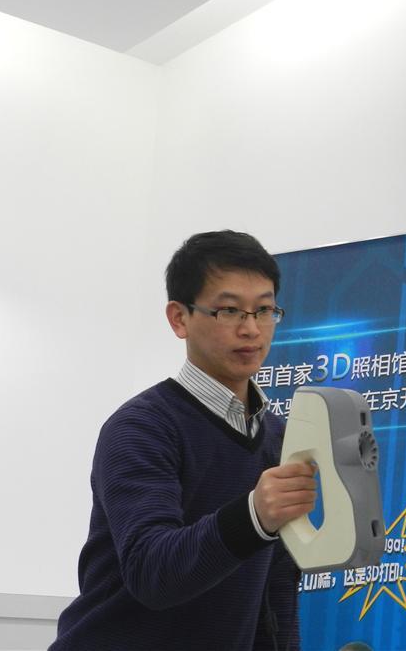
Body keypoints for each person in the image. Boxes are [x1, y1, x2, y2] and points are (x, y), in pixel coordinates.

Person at [52, 230, 316, 650]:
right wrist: (252, 516)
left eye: (264, 310)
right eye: (229, 311)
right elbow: (152, 572)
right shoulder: (142, 427)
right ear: (179, 318)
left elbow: (276, 594)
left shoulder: (279, 438)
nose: (252, 329)